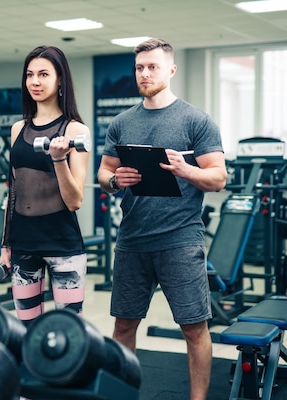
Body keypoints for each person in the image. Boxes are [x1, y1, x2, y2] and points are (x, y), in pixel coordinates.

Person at [96, 38, 227, 400]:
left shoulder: (196, 120)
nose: (145, 73)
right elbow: (104, 173)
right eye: (139, 67)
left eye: (152, 66)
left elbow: (218, 178)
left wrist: (187, 171)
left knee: (193, 329)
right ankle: (123, 395)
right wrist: (112, 181)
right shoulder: (122, 122)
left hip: (180, 241)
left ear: (171, 69)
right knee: (123, 326)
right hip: (132, 240)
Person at [0, 45, 90, 325]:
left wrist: (59, 159)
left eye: (43, 74)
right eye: (30, 75)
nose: (35, 81)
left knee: (68, 331)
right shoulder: (18, 129)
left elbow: (75, 201)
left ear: (60, 79)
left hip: (62, 244)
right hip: (23, 243)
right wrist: (5, 245)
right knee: (26, 328)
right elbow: (13, 192)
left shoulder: (75, 130)